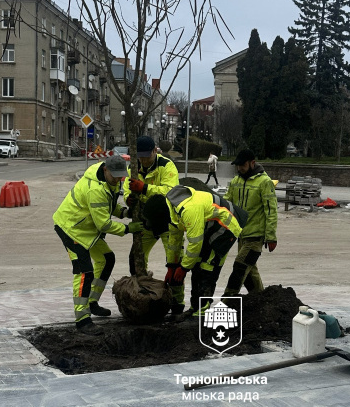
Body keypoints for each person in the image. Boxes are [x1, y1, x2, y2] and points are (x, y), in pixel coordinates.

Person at [52, 155, 143, 335]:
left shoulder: (111, 181)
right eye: (115, 175)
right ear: (105, 170)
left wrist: (125, 212)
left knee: (107, 259)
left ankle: (92, 302)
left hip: (86, 229)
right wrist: (127, 229)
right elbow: (103, 224)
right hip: (70, 228)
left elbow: (108, 206)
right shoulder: (94, 189)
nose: (118, 179)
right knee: (84, 271)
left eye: (121, 176)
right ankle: (82, 319)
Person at [140, 185, 246, 318]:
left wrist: (183, 268)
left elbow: (195, 243)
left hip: (227, 225)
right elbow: (174, 243)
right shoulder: (172, 211)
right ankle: (195, 308)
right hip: (210, 226)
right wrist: (172, 267)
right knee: (196, 266)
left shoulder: (188, 210)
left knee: (207, 267)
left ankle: (201, 313)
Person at [122, 136, 181, 307]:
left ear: (155, 151)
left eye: (147, 156)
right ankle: (142, 295)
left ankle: (177, 302)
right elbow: (127, 187)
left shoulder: (166, 166)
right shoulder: (134, 167)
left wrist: (145, 188)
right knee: (136, 257)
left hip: (167, 220)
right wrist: (128, 199)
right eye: (140, 156)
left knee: (174, 262)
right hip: (147, 220)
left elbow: (171, 191)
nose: (143, 160)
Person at [222, 149, 278, 297]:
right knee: (249, 272)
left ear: (252, 163)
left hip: (255, 237)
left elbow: (271, 211)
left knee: (240, 267)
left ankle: (226, 302)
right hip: (240, 235)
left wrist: (271, 237)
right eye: (238, 165)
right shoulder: (236, 181)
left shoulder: (265, 182)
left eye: (243, 165)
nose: (240, 168)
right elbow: (227, 204)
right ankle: (262, 300)